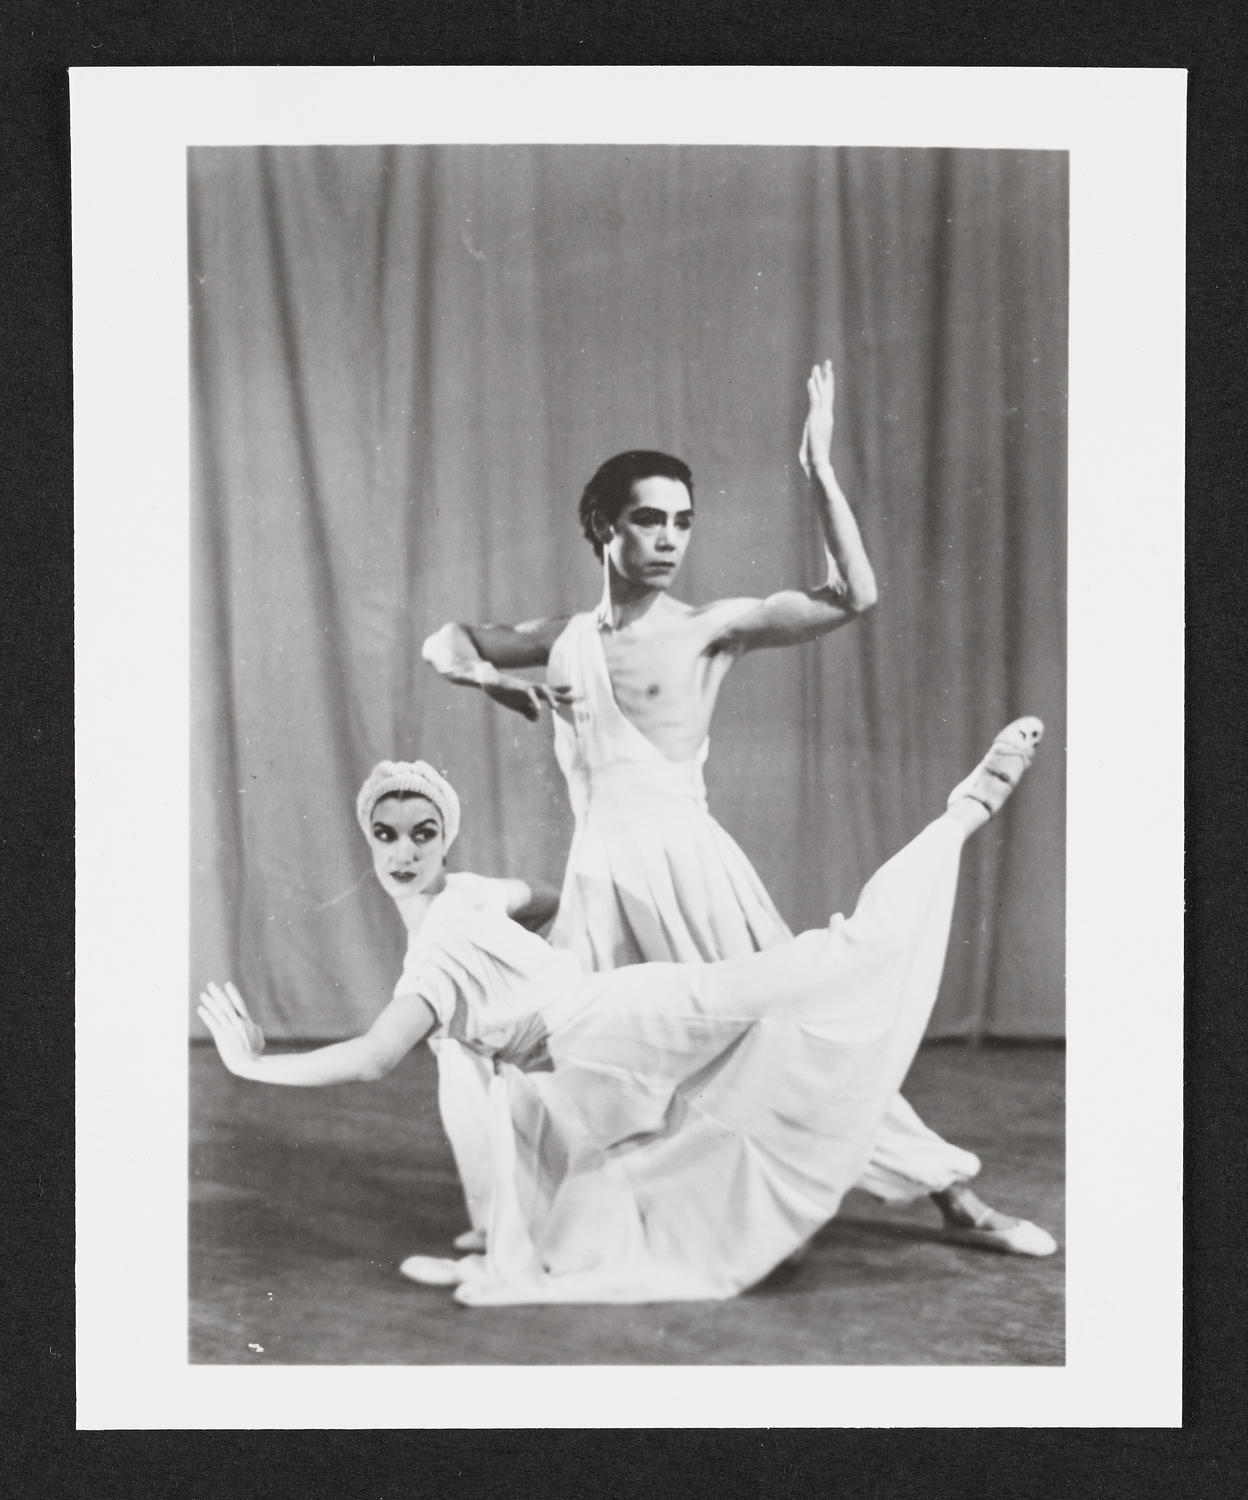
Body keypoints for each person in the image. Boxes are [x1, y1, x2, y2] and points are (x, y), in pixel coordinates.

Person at [421, 360, 1055, 1257]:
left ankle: (957, 1197)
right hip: (599, 879)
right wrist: (486, 677)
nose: (671, 538)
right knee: (557, 1047)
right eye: (649, 518)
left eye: (683, 521)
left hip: (690, 872)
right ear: (605, 526)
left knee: (782, 1027)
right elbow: (442, 639)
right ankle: (534, 1219)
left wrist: (819, 473)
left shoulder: (708, 627)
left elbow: (854, 597)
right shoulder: (559, 640)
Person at [199, 726, 1045, 1306]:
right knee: (706, 1092)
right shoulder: (464, 902)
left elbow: (373, 1057)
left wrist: (252, 1067)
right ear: (370, 840)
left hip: (608, 1020)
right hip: (583, 1053)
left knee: (818, 971)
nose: (404, 850)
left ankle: (964, 811)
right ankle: (521, 1244)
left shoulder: (441, 943)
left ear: (443, 838)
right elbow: (538, 903)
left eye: (422, 832)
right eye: (387, 835)